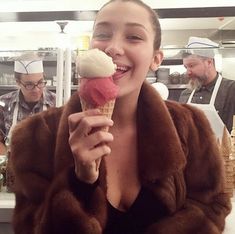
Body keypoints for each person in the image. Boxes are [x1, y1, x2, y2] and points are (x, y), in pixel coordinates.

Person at [10, 1, 231, 234]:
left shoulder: (190, 127)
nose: (113, 47)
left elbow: (211, 207)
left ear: (156, 59)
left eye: (134, 37)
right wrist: (79, 183)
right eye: (103, 34)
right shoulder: (37, 135)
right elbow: (29, 226)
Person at [0, 52, 56, 153]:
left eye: (40, 82)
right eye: (29, 84)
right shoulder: (3, 104)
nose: (36, 89)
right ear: (18, 82)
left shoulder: (56, 102)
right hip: (13, 165)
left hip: (47, 167)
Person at [179, 36, 235, 136]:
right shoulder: (186, 94)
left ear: (209, 62)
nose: (188, 72)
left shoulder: (231, 90)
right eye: (186, 67)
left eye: (192, 65)